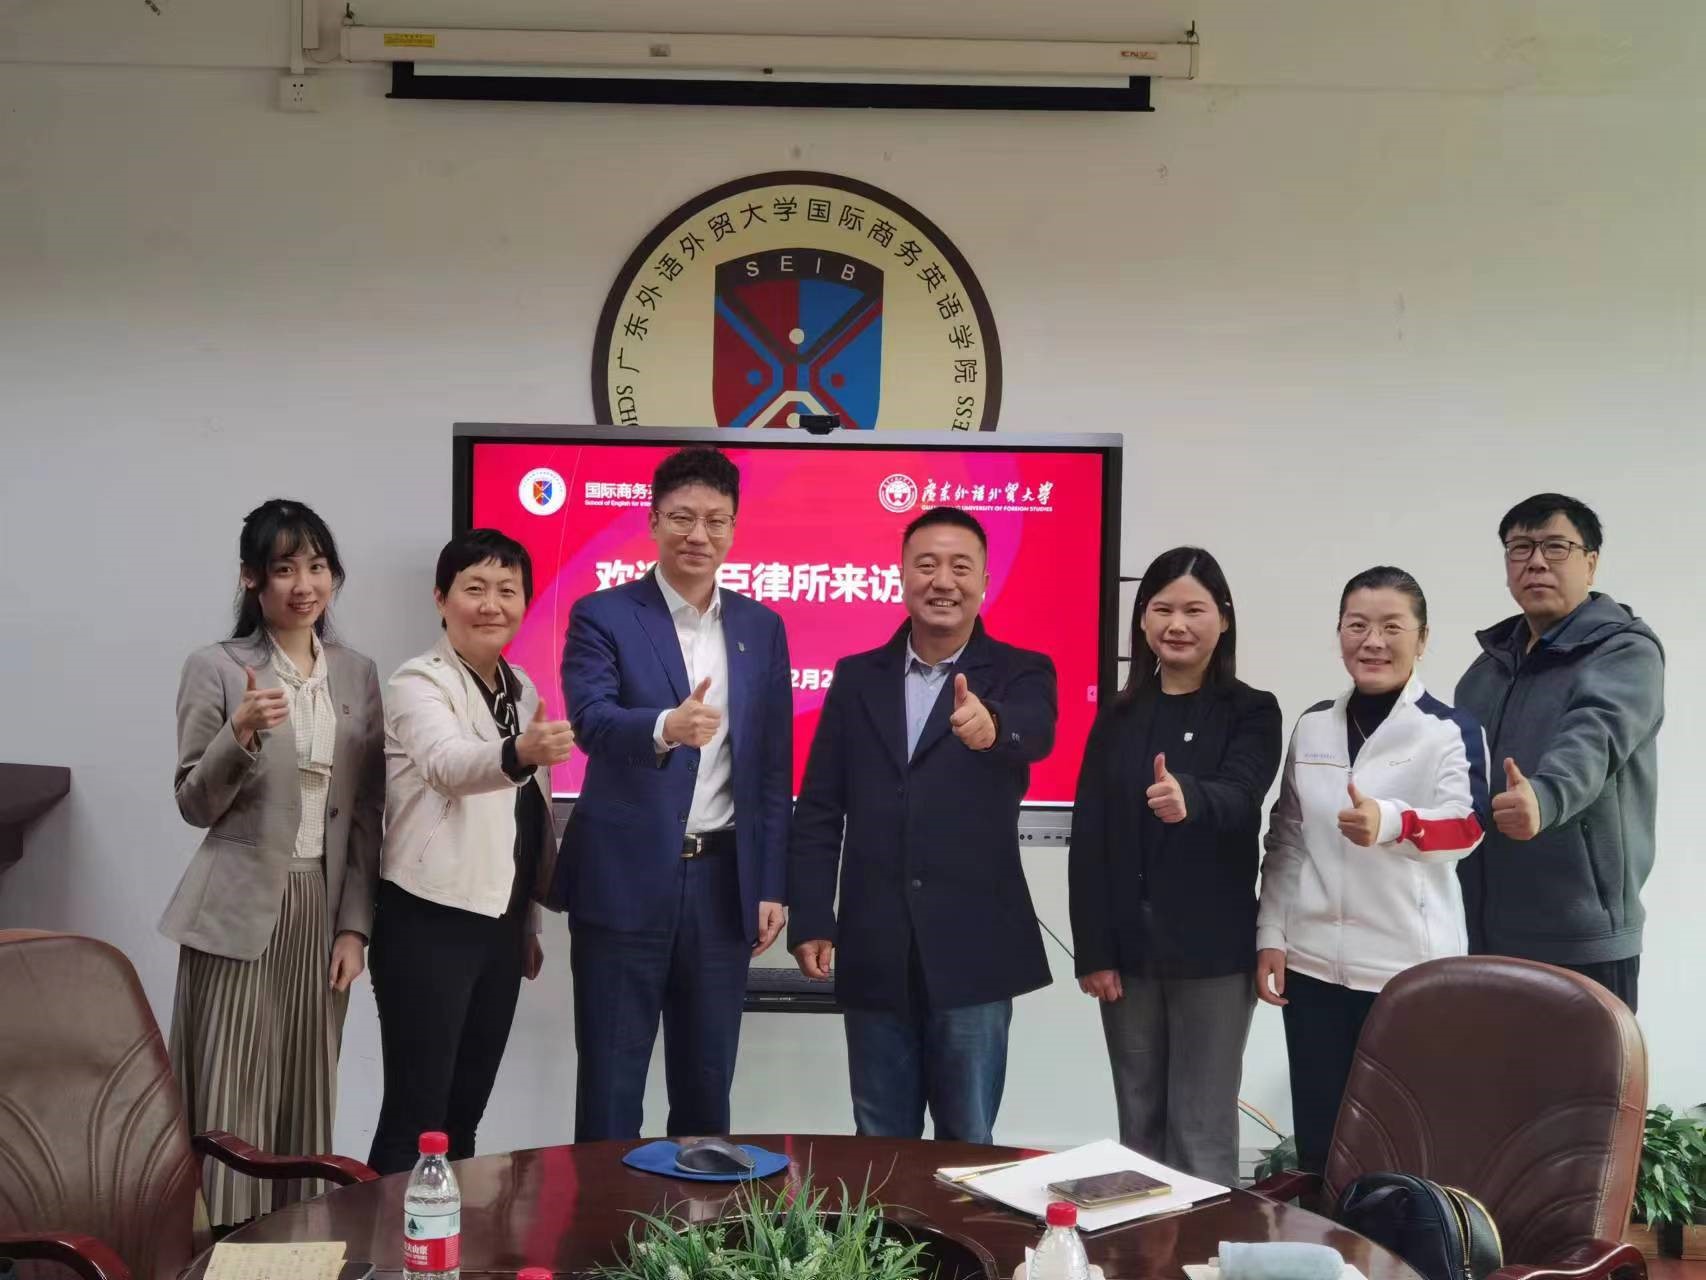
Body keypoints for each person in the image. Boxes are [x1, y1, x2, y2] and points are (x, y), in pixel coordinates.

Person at [789, 506, 1058, 1145]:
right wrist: (812, 916)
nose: (943, 581)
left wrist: (993, 726)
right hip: (874, 941)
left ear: (984, 581)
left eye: (960, 567)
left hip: (975, 947)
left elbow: (1037, 731)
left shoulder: (1022, 671)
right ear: (902, 575)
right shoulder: (858, 677)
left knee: (969, 1138)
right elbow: (821, 807)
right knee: (880, 1138)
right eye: (927, 564)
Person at [555, 447, 793, 1141]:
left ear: (734, 529)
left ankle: (697, 1213)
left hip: (722, 884)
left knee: (706, 1087)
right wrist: (666, 726)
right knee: (611, 1085)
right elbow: (591, 721)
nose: (699, 534)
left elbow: (771, 769)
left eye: (716, 520)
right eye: (683, 517)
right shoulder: (603, 614)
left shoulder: (760, 628)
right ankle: (605, 1214)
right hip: (624, 880)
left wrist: (769, 884)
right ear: (654, 521)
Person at [161, 498, 383, 1226]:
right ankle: (219, 1241)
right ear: (252, 578)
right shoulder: (217, 668)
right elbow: (194, 802)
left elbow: (366, 815)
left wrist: (355, 927)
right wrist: (240, 735)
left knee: (304, 1085)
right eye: (284, 568)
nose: (304, 585)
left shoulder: (356, 672)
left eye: (317, 567)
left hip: (321, 907)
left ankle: (294, 1238)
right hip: (236, 909)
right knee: (228, 1085)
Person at [1255, 567, 1488, 1174]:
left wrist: (1392, 822)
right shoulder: (1313, 725)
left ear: (1423, 638)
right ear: (1339, 632)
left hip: (1406, 973)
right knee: (1320, 1141)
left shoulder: (1448, 729)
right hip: (1312, 969)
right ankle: (1323, 1236)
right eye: (1357, 625)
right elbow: (1286, 838)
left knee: (1401, 1145)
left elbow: (1466, 828)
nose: (1373, 642)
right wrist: (1271, 934)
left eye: (1392, 627)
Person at [1068, 547, 1281, 1185]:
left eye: (1194, 610)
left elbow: (1243, 795)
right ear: (1142, 620)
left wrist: (1190, 797)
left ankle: (1204, 1240)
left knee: (1201, 1128)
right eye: (1162, 609)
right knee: (1139, 1124)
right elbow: (1090, 836)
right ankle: (1141, 1240)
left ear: (1224, 619)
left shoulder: (1252, 709)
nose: (1177, 624)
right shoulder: (1117, 714)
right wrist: (1093, 950)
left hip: (1214, 955)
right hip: (1127, 957)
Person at [365, 529, 573, 1174]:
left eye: (507, 590)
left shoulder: (522, 689)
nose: (491, 605)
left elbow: (523, 823)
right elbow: (448, 765)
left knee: (464, 1114)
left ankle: (449, 1236)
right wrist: (520, 752)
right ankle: (389, 1236)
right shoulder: (416, 682)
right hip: (429, 917)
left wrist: (527, 924)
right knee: (416, 1116)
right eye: (474, 588)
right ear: (441, 598)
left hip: (499, 925)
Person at [1454, 494, 1664, 1012]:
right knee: (1492, 1068)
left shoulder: (1625, 652)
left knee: (1586, 1070)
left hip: (1580, 938)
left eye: (1555, 547)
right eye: (1520, 548)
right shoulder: (1485, 671)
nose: (1536, 562)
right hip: (1483, 933)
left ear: (1590, 562)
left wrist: (1544, 798)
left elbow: (1594, 739)